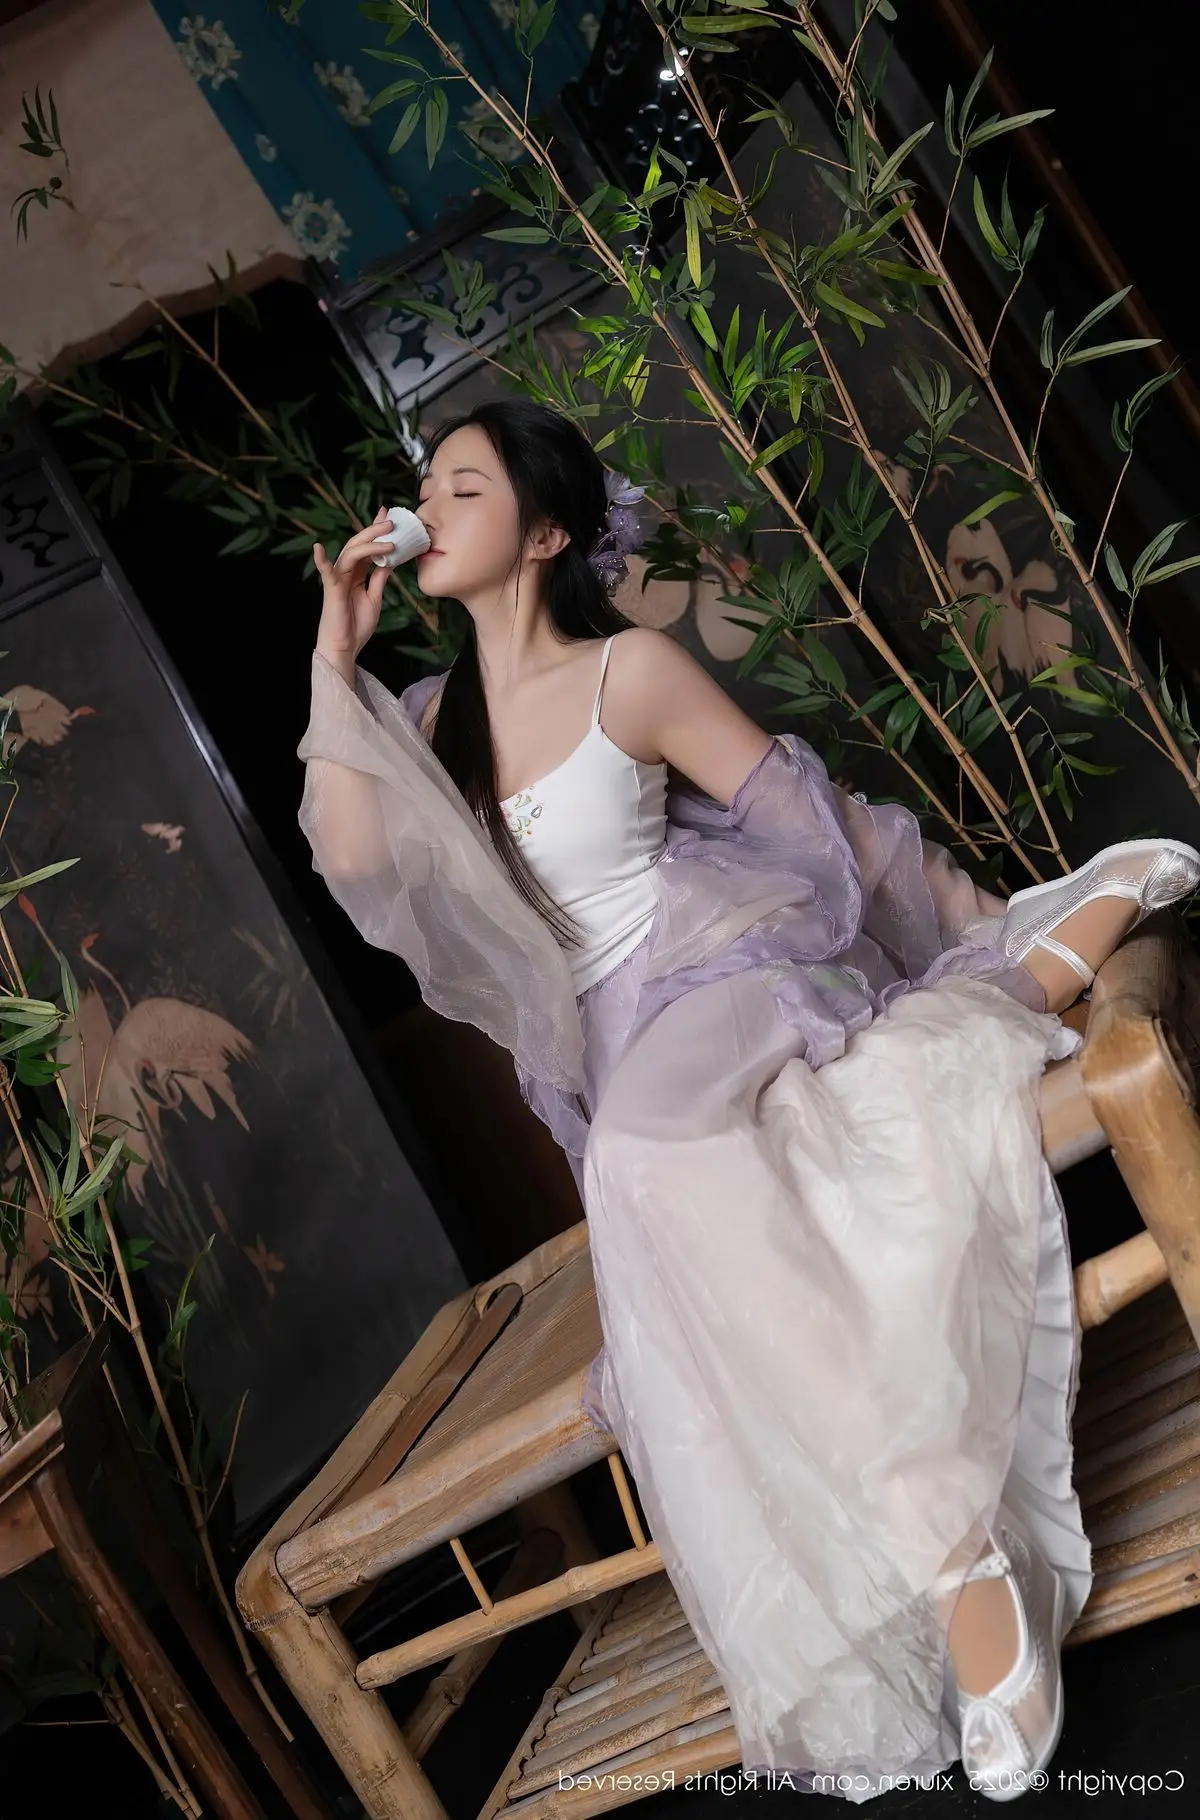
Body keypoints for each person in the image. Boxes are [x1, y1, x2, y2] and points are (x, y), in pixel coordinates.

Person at [298, 398, 1199, 1803]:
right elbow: (356, 864)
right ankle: (953, 1551)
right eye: (429, 483)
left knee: (646, 1163)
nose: (427, 505)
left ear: (545, 534)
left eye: (465, 485)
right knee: (682, 1218)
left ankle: (962, 1563)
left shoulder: (630, 671)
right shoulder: (423, 724)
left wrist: (958, 931)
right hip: (611, 1047)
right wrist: (334, 653)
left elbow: (807, 821)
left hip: (713, 965)